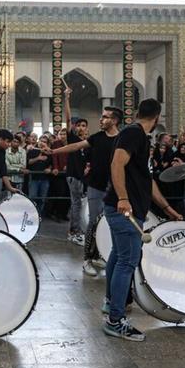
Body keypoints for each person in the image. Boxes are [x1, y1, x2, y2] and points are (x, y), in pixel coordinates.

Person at [103, 99, 182, 342]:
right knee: (128, 261)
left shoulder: (138, 136)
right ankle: (115, 320)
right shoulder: (133, 133)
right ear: (157, 118)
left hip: (126, 208)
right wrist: (124, 198)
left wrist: (167, 208)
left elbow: (146, 181)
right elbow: (116, 163)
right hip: (124, 209)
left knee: (118, 256)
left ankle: (111, 305)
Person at [50, 104, 122, 276]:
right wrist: (53, 151)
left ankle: (101, 255)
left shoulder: (123, 139)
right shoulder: (97, 137)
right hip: (96, 186)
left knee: (111, 224)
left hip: (115, 187)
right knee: (94, 222)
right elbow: (75, 147)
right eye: (102, 116)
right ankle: (87, 259)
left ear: (114, 120)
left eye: (105, 117)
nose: (101, 119)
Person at [63, 87, 89, 246]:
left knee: (78, 204)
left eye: (83, 126)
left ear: (87, 128)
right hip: (73, 177)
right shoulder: (73, 139)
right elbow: (67, 119)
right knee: (76, 204)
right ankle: (74, 232)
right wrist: (67, 99)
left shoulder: (87, 144)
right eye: (78, 125)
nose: (80, 127)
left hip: (81, 177)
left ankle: (75, 231)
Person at [26, 135, 53, 215]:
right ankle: (31, 215)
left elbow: (52, 164)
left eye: (44, 142)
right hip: (34, 178)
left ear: (47, 144)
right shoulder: (33, 150)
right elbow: (29, 162)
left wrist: (49, 168)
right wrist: (38, 158)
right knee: (32, 197)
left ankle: (39, 215)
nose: (42, 143)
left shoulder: (49, 152)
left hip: (45, 179)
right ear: (38, 141)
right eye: (41, 141)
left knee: (42, 199)